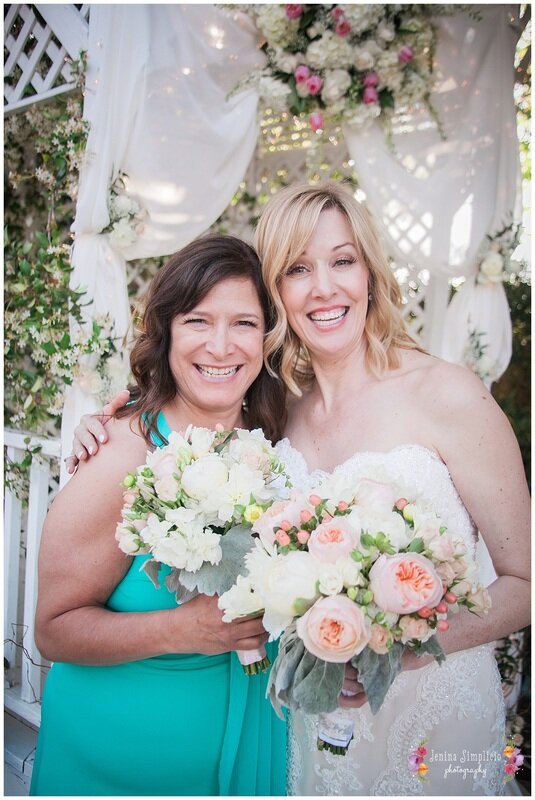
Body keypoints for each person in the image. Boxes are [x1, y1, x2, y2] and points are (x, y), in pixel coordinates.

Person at [66, 182, 530, 796]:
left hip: (432, 722)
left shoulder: (448, 395)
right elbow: (186, 410)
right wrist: (112, 419)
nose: (324, 288)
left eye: (343, 260)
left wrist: (400, 648)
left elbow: (526, 582)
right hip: (313, 729)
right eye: (297, 269)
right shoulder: (274, 415)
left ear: (369, 272)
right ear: (276, 294)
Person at [30, 235, 288, 796]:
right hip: (116, 765)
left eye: (244, 323)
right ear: (167, 331)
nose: (222, 346)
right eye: (198, 321)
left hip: (254, 746)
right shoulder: (120, 454)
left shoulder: (278, 443)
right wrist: (182, 628)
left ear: (267, 337)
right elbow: (52, 631)